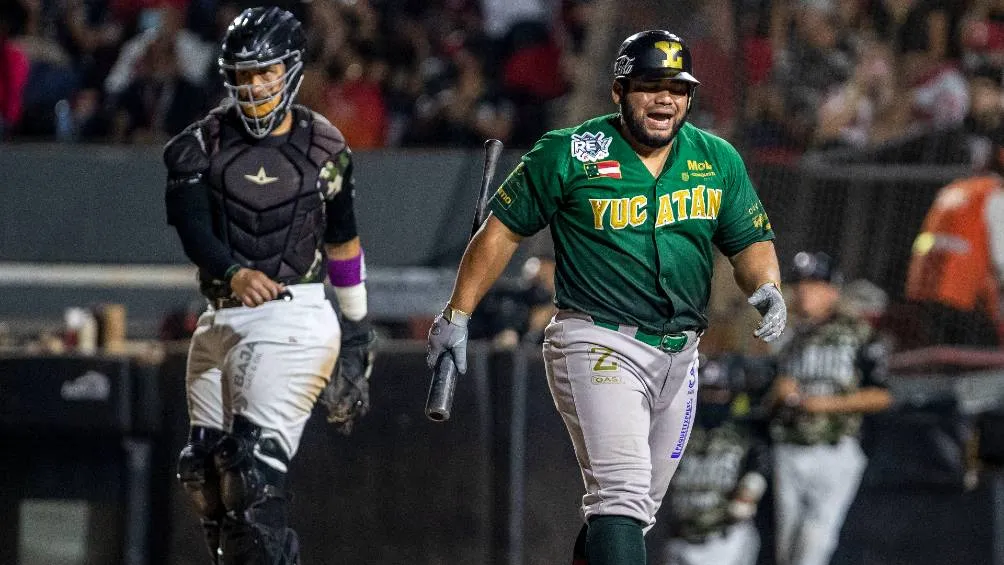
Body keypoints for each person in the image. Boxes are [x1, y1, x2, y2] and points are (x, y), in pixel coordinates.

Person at [425, 29, 786, 565]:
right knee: (620, 495)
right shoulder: (570, 150)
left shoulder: (717, 157)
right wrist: (457, 314)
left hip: (682, 353)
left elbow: (749, 240)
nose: (665, 99)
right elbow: (500, 232)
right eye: (651, 85)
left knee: (632, 512)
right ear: (619, 91)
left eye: (678, 88)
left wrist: (767, 287)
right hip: (597, 339)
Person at [162, 7, 375, 564]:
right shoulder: (198, 146)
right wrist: (233, 273)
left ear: (291, 70)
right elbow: (193, 229)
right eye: (244, 73)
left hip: (292, 314)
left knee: (249, 472)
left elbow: (343, 243)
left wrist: (357, 331)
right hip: (220, 316)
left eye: (266, 71)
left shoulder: (324, 146)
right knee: (205, 471)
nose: (255, 85)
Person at [769, 251, 892, 565]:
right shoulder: (788, 336)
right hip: (789, 446)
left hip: (835, 449)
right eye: (800, 284)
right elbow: (769, 395)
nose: (804, 291)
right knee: (787, 548)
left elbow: (882, 395)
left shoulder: (859, 333)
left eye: (814, 284)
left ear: (832, 289)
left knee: (815, 542)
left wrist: (825, 404)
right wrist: (778, 391)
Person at [649, 354, 769, 565]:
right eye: (708, 391)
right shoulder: (678, 430)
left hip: (724, 540)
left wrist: (750, 489)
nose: (713, 398)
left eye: (720, 392)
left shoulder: (744, 432)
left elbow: (760, 465)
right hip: (678, 539)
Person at [904, 127, 1004, 346]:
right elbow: (1001, 258)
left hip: (924, 288)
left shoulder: (954, 189)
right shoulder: (993, 193)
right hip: (962, 292)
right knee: (980, 354)